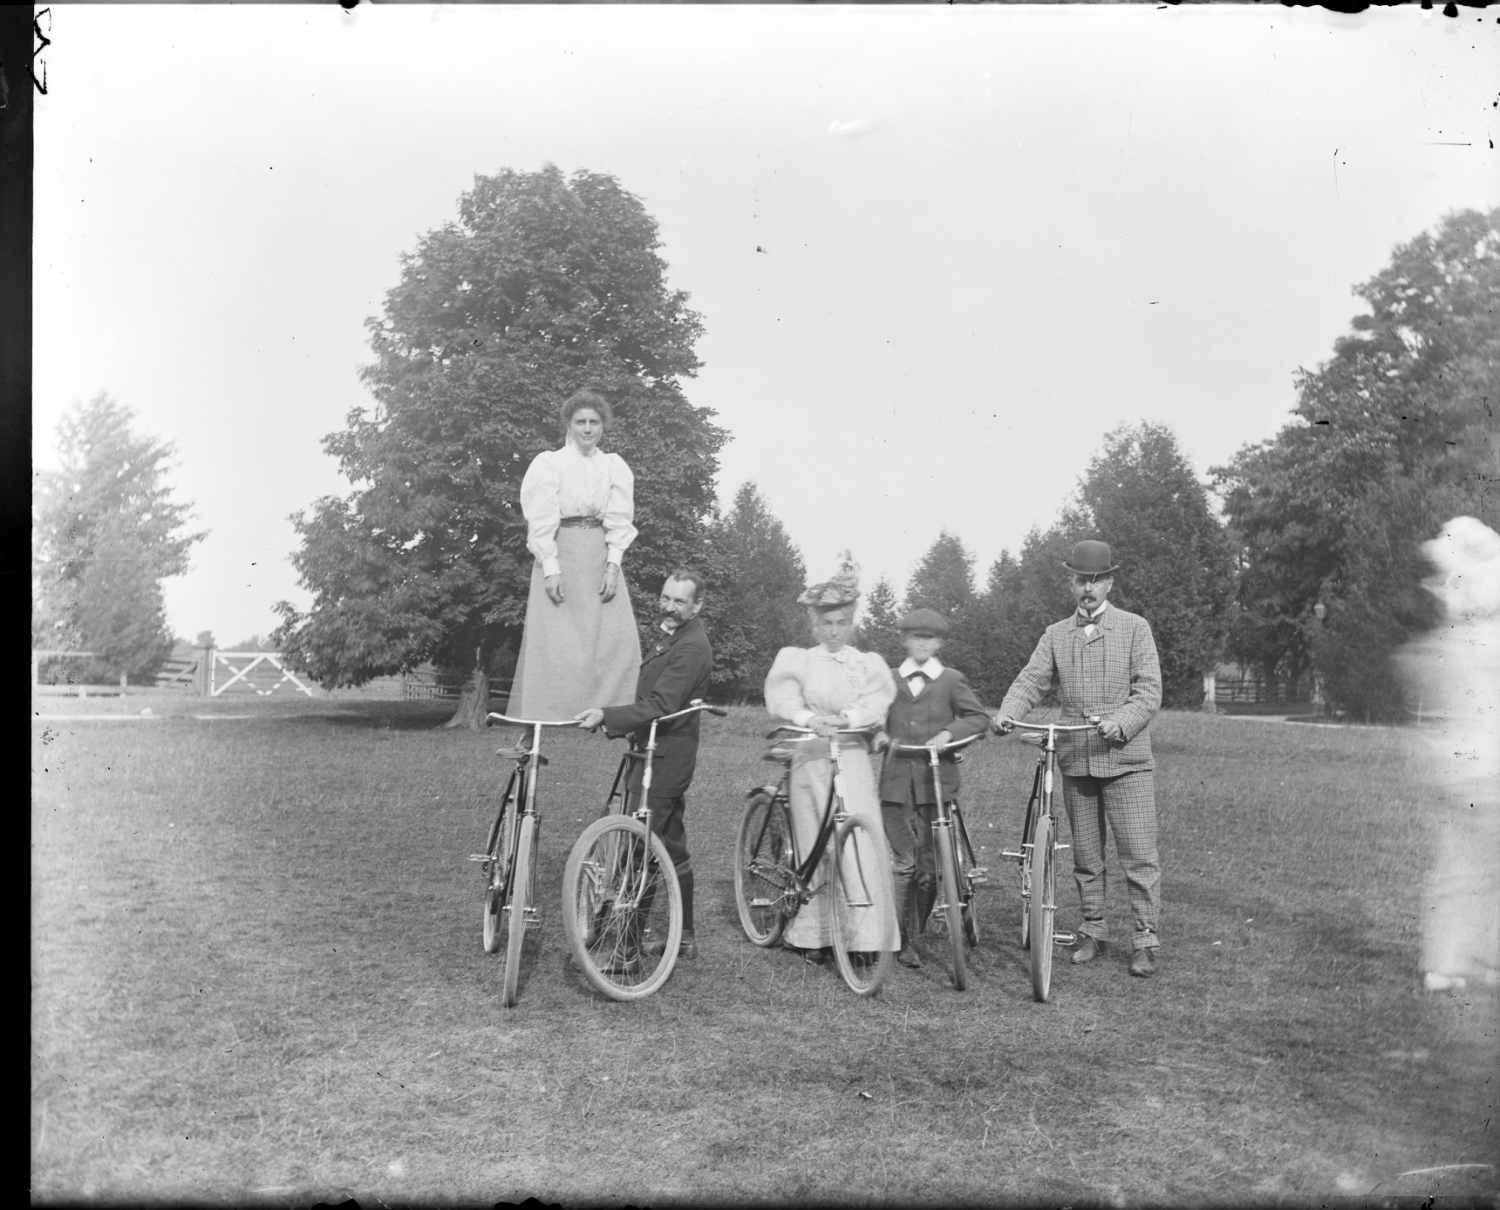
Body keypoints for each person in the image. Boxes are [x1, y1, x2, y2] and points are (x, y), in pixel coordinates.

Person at [996, 539, 1164, 978]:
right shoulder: (1055, 634)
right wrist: (1009, 713)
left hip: (1125, 761)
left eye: (1095, 580)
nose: (1087, 589)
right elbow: (1032, 680)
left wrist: (1121, 721)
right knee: (1087, 856)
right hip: (1077, 761)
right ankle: (1093, 928)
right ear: (1071, 584)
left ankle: (1146, 938)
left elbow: (1148, 691)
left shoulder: (1134, 628)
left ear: (1109, 582)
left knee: (1139, 855)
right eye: (1079, 581)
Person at [763, 555, 899, 963]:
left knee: (858, 840)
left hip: (852, 756)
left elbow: (877, 701)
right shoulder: (798, 660)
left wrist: (849, 719)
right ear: (813, 625)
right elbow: (783, 699)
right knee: (813, 842)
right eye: (826, 623)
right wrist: (809, 718)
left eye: (841, 622)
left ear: (853, 621)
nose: (834, 631)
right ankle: (813, 935)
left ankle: (864, 938)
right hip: (811, 755)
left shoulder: (866, 663)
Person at [575, 570, 714, 960]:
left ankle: (627, 948)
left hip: (666, 757)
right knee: (670, 844)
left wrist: (608, 716)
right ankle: (684, 938)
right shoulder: (673, 637)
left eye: (679, 601)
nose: (669, 606)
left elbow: (661, 705)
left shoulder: (692, 648)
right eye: (666, 597)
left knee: (641, 845)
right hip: (650, 749)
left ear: (697, 606)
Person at [1398, 516, 1500, 992]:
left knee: (1467, 867)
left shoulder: (1460, 637)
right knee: (1468, 867)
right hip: (1480, 767)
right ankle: (1452, 961)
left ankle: (1460, 959)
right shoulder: (1475, 638)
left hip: (1467, 767)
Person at [507, 389, 642, 721]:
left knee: (616, 640)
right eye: (580, 422)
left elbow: (620, 519)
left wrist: (613, 566)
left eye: (594, 422)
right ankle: (540, 722)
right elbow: (540, 521)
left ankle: (613, 714)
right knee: (553, 639)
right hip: (560, 551)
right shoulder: (550, 464)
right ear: (568, 424)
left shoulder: (613, 466)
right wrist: (551, 567)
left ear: (603, 427)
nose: (587, 429)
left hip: (598, 554)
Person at [876, 607, 992, 969]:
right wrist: (876, 733)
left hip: (935, 787)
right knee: (903, 862)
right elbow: (869, 716)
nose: (922, 644)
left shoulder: (950, 680)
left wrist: (948, 735)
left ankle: (911, 934)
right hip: (895, 787)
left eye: (929, 638)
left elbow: (977, 718)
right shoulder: (888, 678)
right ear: (904, 641)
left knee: (928, 869)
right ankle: (892, 936)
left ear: (939, 642)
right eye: (915, 637)